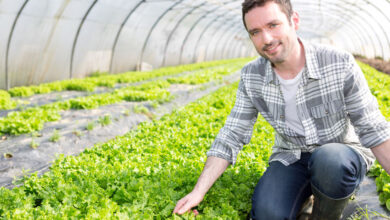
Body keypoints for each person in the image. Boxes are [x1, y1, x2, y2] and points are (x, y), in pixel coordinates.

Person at [173, 0, 390, 219]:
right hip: (291, 155)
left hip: (340, 154)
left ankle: (324, 214)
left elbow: (373, 127)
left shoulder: (338, 63)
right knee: (268, 213)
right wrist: (198, 191)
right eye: (255, 32)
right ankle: (303, 197)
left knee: (330, 161)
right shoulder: (252, 75)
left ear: (293, 21)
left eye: (273, 25)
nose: (266, 39)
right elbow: (232, 133)